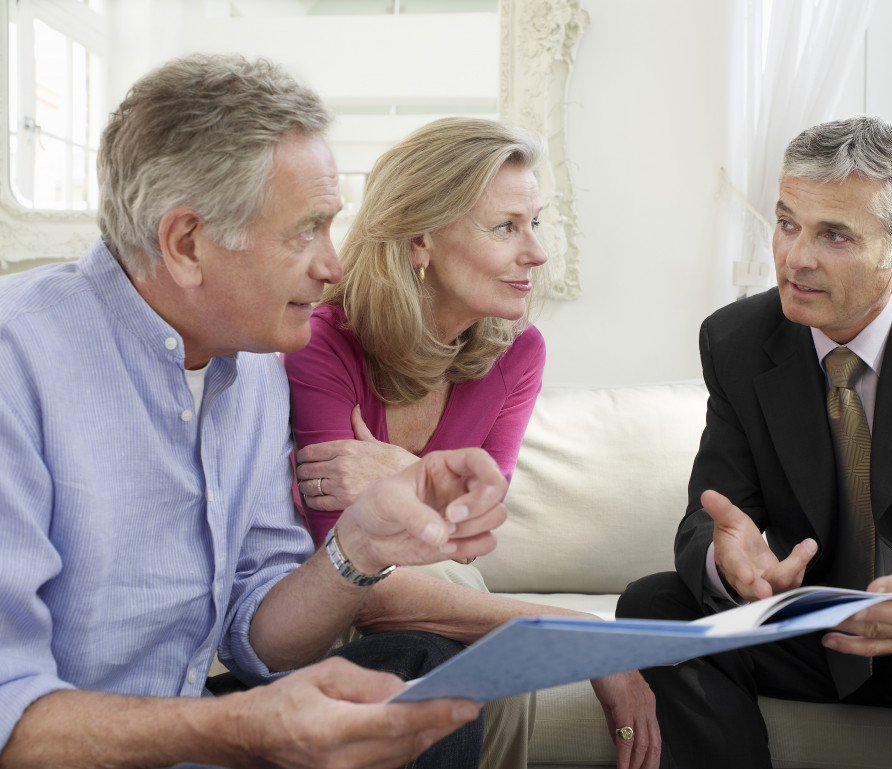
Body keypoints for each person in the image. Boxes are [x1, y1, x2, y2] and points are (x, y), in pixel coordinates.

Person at [0, 54, 514, 769]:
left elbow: (258, 633)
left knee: (421, 675)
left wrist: (360, 543)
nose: (333, 267)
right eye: (307, 230)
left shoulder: (258, 364)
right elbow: (8, 715)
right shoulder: (14, 362)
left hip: (192, 730)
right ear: (187, 243)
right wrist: (239, 726)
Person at [617, 115, 892, 768]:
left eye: (834, 234)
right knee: (654, 601)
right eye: (787, 223)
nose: (796, 257)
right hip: (809, 633)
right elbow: (711, 516)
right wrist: (733, 563)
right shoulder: (737, 341)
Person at [282, 116, 661, 769]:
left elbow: (472, 526)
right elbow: (357, 582)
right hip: (322, 605)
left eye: (535, 223)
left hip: (435, 596)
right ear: (421, 239)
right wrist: (574, 628)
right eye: (506, 227)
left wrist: (399, 474)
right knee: (475, 634)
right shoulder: (321, 343)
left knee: (466, 614)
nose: (537, 252)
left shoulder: (519, 353)